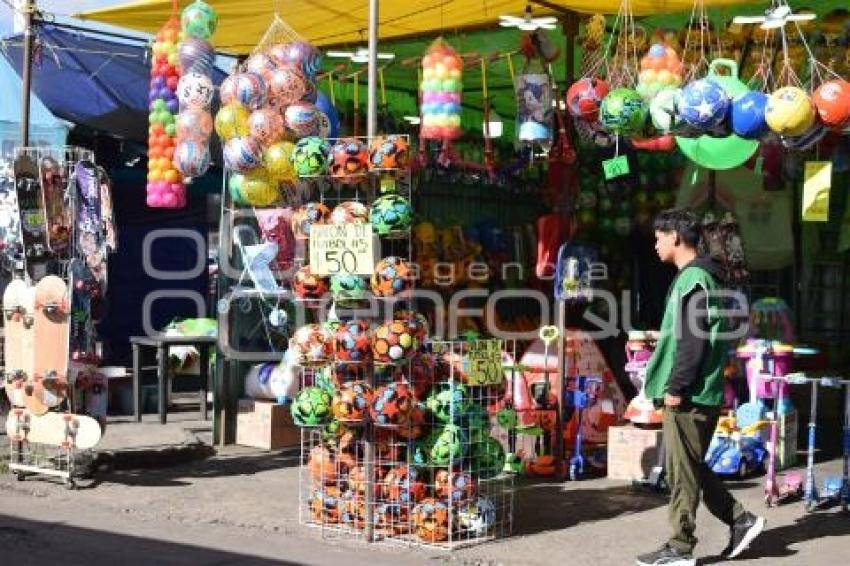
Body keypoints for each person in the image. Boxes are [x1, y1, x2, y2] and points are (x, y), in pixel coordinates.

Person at [636, 209, 765, 566]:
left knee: (681, 472)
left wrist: (677, 385)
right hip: (700, 390)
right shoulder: (702, 277)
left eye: (659, 237)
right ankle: (741, 520)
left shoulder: (693, 279)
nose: (656, 244)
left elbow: (693, 338)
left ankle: (680, 547)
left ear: (676, 237)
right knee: (689, 465)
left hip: (690, 393)